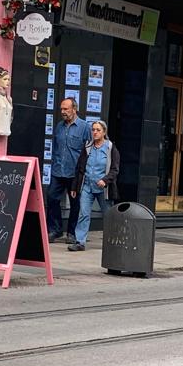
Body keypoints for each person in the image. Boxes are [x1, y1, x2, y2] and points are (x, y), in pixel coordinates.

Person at [69, 120, 118, 251]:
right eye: (93, 130)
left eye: (98, 130)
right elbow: (79, 168)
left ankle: (112, 241)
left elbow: (115, 169)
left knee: (108, 215)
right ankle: (80, 242)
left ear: (104, 132)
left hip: (103, 188)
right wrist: (74, 187)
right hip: (87, 186)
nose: (95, 132)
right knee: (83, 213)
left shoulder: (110, 148)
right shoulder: (87, 146)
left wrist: (105, 180)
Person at [48, 96, 92, 243]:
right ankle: (55, 229)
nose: (63, 111)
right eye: (61, 108)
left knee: (76, 203)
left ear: (74, 109)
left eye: (66, 109)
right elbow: (55, 147)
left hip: (74, 173)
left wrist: (84, 171)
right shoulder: (59, 126)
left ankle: (72, 233)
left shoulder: (85, 127)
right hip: (58, 170)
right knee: (52, 198)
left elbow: (89, 150)